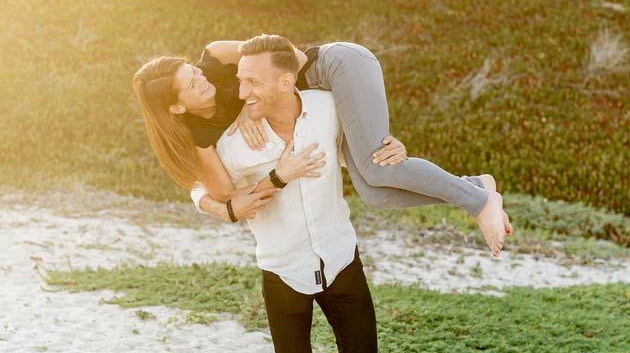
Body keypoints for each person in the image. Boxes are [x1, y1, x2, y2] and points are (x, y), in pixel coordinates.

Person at [133, 38, 512, 256]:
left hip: (334, 66)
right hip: (327, 101)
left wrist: (253, 105)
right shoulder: (199, 135)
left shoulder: (216, 55)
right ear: (177, 107)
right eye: (192, 83)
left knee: (378, 167)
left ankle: (478, 203)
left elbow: (291, 57)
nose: (202, 78)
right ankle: (476, 186)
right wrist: (219, 205)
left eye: (194, 71)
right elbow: (221, 191)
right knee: (377, 195)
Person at [191, 34, 379, 353]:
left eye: (252, 83)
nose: (241, 93)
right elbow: (197, 184)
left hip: (339, 255)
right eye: (239, 81)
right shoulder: (233, 145)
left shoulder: (328, 108)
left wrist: (390, 147)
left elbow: (361, 148)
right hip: (282, 269)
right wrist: (221, 205)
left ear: (286, 81)